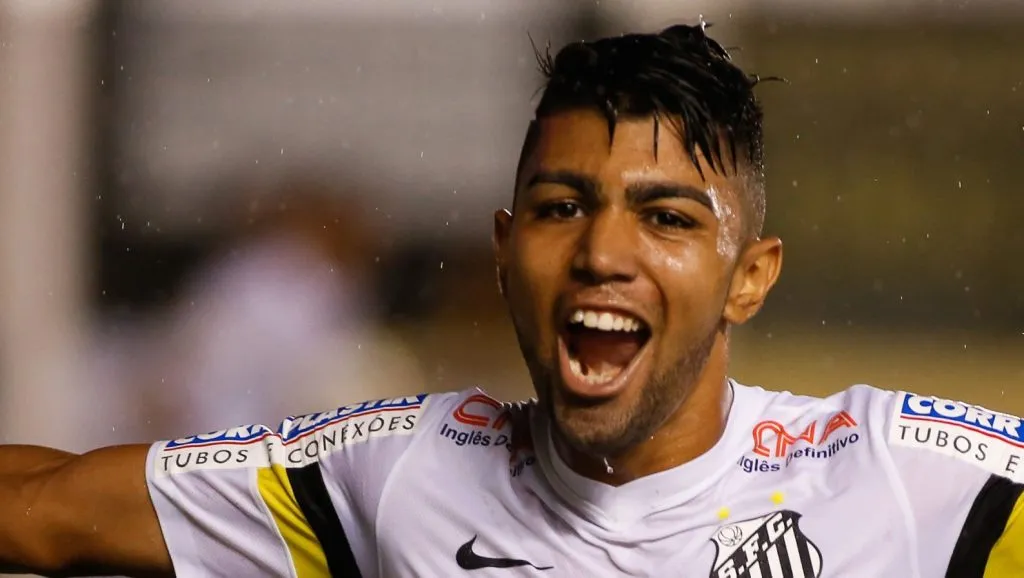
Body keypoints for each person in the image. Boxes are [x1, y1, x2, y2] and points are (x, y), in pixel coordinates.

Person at [0, 22, 1018, 578]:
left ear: (747, 275)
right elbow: (45, 514)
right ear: (503, 249)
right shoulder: (391, 474)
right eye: (561, 205)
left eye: (664, 217)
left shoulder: (894, 473)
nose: (600, 253)